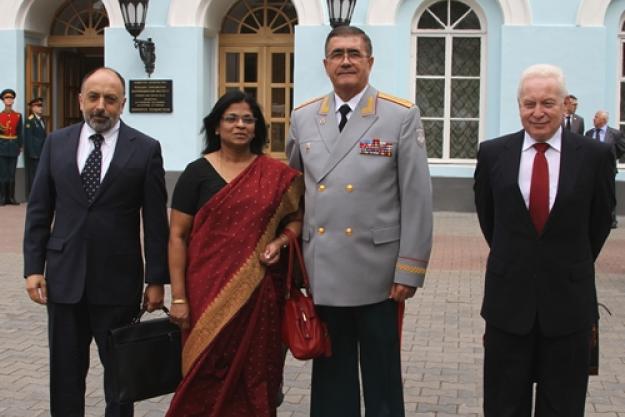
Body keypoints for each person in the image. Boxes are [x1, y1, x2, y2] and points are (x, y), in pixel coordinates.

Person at [286, 25, 433, 417]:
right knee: (331, 371)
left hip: (378, 272)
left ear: (370, 62)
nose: (345, 61)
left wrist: (410, 268)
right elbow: (294, 195)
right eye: (337, 54)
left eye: (354, 53)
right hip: (325, 267)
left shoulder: (399, 115)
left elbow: (417, 197)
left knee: (381, 372)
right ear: (325, 64)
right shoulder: (303, 119)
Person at [23, 67, 170, 417]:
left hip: (118, 282)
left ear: (123, 103)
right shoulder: (56, 143)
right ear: (80, 100)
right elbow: (39, 210)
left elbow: (154, 221)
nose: (100, 106)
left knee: (120, 377)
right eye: (93, 97)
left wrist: (156, 279)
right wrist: (32, 269)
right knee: (65, 373)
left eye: (109, 99)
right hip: (63, 278)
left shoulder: (146, 149)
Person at [474, 64, 615, 417]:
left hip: (569, 304)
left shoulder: (595, 157)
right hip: (508, 304)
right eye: (529, 103)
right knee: (504, 404)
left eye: (548, 103)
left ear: (565, 104)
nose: (538, 113)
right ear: (519, 105)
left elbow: (598, 224)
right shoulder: (492, 154)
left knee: (563, 405)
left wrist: (563, 262)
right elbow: (489, 220)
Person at [165, 90, 303, 417]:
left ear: (257, 129)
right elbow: (177, 235)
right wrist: (180, 298)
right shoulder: (196, 172)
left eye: (248, 119)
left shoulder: (275, 175)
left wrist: (280, 242)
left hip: (259, 294)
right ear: (216, 127)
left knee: (256, 374)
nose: (240, 125)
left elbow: (297, 222)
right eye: (231, 119)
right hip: (204, 292)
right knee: (204, 369)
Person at [585, 110, 625, 228]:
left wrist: (610, 158)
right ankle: (592, 217)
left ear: (604, 120)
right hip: (591, 168)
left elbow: (621, 148)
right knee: (591, 193)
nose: (593, 119)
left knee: (608, 193)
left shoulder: (615, 133)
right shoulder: (589, 133)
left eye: (596, 117)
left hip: (608, 169)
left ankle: (611, 219)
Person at [0, 88, 23, 205]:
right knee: (3, 174)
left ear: (13, 100)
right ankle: (3, 198)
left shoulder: (18, 116)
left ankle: (12, 197)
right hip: (2, 147)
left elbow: (20, 132)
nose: (9, 100)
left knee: (12, 173)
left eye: (11, 98)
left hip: (13, 146)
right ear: (3, 101)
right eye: (6, 98)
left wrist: (20, 146)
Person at [24, 97, 47, 195]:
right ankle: (32, 196)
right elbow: (28, 138)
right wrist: (32, 153)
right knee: (33, 176)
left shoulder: (42, 120)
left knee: (40, 175)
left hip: (41, 152)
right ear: (32, 108)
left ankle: (39, 194)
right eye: (38, 106)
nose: (40, 108)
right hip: (34, 153)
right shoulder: (30, 120)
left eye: (41, 106)